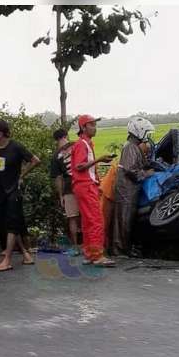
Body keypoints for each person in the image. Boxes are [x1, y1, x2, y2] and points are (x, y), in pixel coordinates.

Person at [0, 118, 41, 272]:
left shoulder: (16, 146)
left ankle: (7, 261)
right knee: (9, 223)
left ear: (0, 132)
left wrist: (22, 175)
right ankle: (26, 254)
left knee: (12, 224)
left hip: (13, 190)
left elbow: (35, 160)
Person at [70, 114, 116, 267]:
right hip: (85, 186)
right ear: (83, 127)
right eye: (92, 125)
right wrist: (100, 159)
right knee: (96, 220)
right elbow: (79, 166)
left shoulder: (84, 143)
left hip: (84, 186)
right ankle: (97, 256)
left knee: (88, 221)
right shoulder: (82, 144)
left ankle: (90, 254)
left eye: (95, 125)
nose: (95, 128)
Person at [113, 117, 156, 256]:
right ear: (139, 131)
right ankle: (120, 251)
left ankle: (124, 249)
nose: (147, 136)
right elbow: (130, 170)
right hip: (126, 190)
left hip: (129, 190)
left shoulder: (133, 146)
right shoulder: (130, 147)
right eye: (146, 132)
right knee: (123, 221)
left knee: (127, 220)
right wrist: (146, 173)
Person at [50, 127, 80, 255]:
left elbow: (58, 178)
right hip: (83, 184)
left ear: (55, 140)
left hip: (69, 188)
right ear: (66, 135)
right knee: (87, 216)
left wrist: (60, 195)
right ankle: (92, 246)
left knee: (72, 218)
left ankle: (75, 248)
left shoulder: (56, 156)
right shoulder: (77, 145)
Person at [99, 154, 120, 254]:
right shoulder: (118, 167)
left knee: (107, 223)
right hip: (108, 193)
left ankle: (105, 247)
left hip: (108, 192)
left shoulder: (118, 165)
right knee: (104, 223)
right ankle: (102, 248)